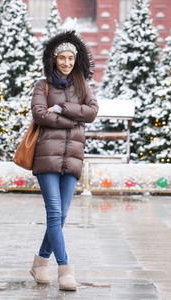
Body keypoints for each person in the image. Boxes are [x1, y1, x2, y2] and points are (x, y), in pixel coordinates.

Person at [29, 31, 99, 291]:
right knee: (54, 212)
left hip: (73, 157)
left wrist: (59, 109)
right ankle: (65, 269)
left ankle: (39, 264)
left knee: (62, 215)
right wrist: (73, 120)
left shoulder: (83, 85)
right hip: (46, 155)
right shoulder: (42, 85)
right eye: (62, 58)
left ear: (76, 59)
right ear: (54, 59)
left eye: (71, 58)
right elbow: (38, 114)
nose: (66, 62)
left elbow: (92, 112)